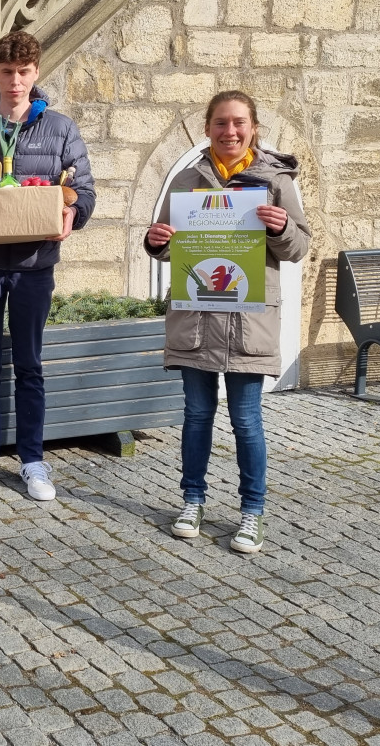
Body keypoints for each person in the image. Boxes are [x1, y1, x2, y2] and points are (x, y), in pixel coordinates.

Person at [144, 90, 310, 553]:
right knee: (196, 416)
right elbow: (166, 243)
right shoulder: (186, 179)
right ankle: (192, 501)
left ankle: (251, 513)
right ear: (207, 128)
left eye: (239, 123)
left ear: (253, 127)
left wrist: (280, 228)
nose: (230, 131)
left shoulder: (275, 180)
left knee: (246, 420)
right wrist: (156, 241)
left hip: (248, 321)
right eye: (221, 123)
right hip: (196, 317)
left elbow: (298, 249)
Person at [0, 30, 96, 501]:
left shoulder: (61, 128)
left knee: (30, 365)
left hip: (34, 263)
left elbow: (84, 190)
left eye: (24, 72)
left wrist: (72, 213)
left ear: (36, 73)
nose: (15, 82)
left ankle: (32, 462)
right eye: (7, 72)